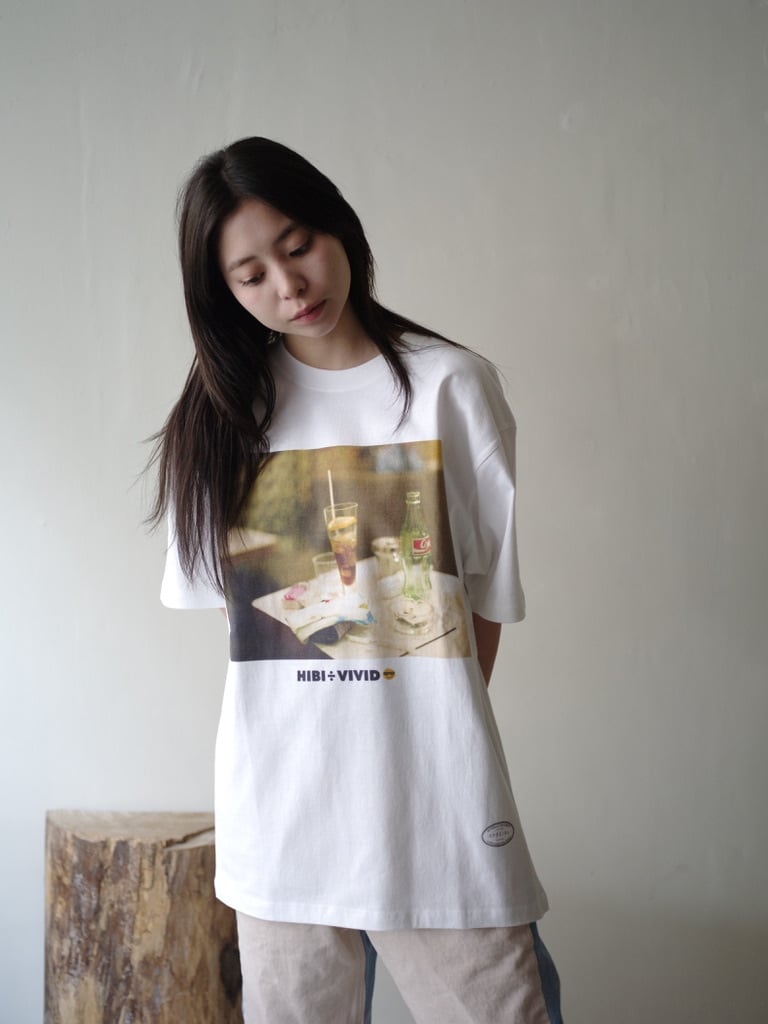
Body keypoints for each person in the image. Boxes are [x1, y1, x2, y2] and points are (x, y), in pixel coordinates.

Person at [151, 136, 562, 1024]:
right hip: (281, 814)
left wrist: (424, 744)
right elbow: (241, 624)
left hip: (437, 807)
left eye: (298, 245)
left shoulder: (452, 386)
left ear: (337, 225)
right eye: (251, 275)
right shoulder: (220, 417)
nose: (289, 286)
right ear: (224, 293)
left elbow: (481, 605)